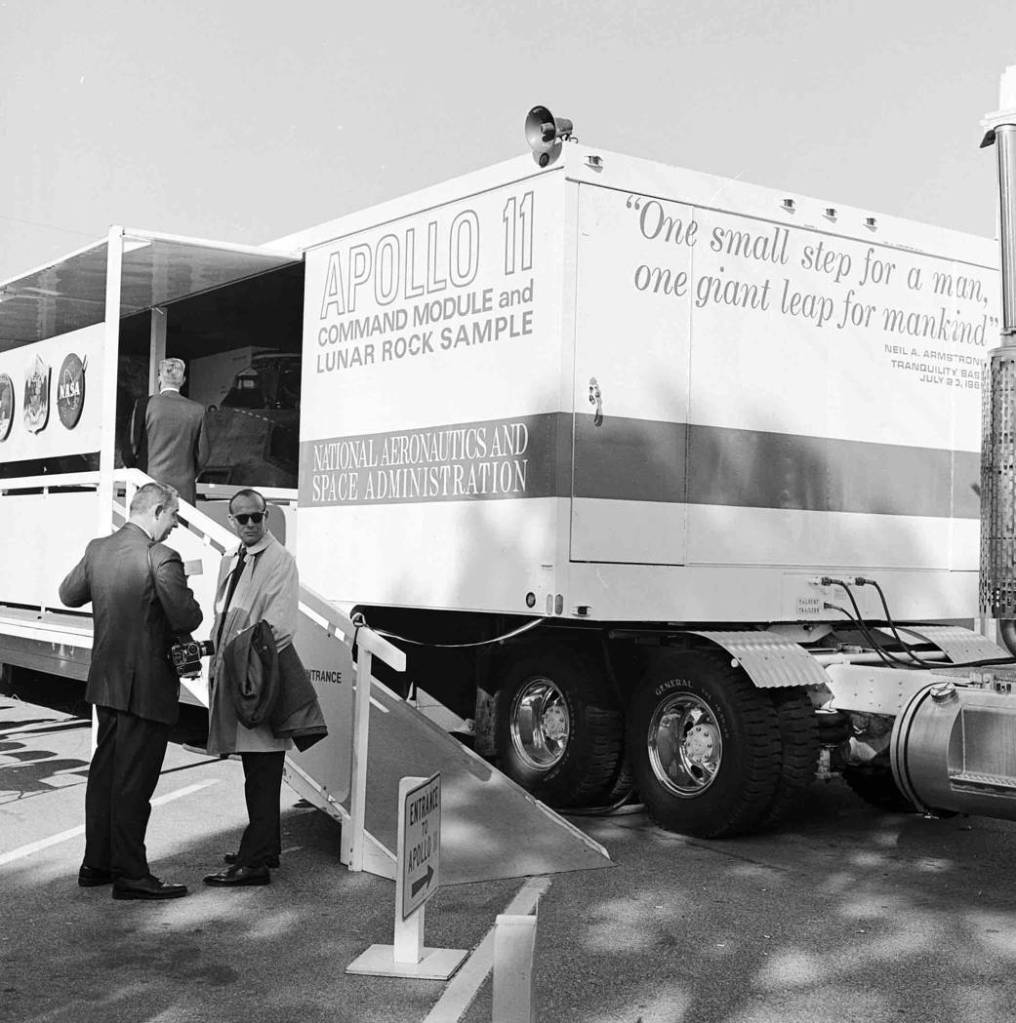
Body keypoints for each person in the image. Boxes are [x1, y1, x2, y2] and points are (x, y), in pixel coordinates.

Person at [59, 482, 203, 900]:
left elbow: (68, 594)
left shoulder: (98, 549)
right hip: (147, 687)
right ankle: (131, 874)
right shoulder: (161, 557)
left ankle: (96, 864)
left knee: (105, 775)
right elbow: (187, 615)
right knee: (134, 783)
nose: (174, 527)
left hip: (106, 682)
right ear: (157, 510)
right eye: (174, 518)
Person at [203, 488, 299, 887]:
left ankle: (255, 860)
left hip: (256, 680)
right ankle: (266, 847)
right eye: (241, 518)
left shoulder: (280, 560)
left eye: (256, 517)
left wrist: (235, 661)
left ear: (266, 516)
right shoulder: (233, 558)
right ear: (231, 520)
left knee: (262, 770)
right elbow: (222, 616)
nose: (249, 525)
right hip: (238, 676)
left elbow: (277, 629)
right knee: (256, 769)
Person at [130, 357, 210, 505]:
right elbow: (203, 455)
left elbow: (131, 447)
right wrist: (190, 473)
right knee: (180, 527)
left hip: (148, 485)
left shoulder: (144, 405)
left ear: (159, 377)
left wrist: (135, 470)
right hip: (184, 491)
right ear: (183, 380)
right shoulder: (197, 410)